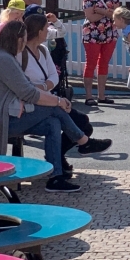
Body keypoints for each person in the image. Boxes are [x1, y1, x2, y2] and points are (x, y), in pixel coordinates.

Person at [0, 20, 111, 193]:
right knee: (54, 109)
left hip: (4, 116)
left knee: (53, 123)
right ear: (18, 40)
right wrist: (58, 101)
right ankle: (83, 141)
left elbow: (29, 90)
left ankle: (56, 177)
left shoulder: (2, 56)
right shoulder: (3, 60)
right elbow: (29, 94)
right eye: (23, 39)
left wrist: (57, 100)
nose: (24, 43)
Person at [20, 10, 94, 174]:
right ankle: (79, 146)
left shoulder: (44, 50)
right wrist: (44, 89)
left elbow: (54, 76)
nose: (48, 31)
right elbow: (24, 86)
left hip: (47, 96)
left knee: (83, 123)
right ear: (39, 32)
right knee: (80, 122)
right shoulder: (20, 54)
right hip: (33, 102)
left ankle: (60, 156)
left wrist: (44, 86)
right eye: (46, 28)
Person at [82, 0, 121, 107]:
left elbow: (117, 14)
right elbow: (90, 17)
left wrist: (99, 10)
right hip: (92, 33)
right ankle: (88, 96)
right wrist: (107, 12)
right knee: (91, 63)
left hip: (110, 32)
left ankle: (102, 96)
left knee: (104, 63)